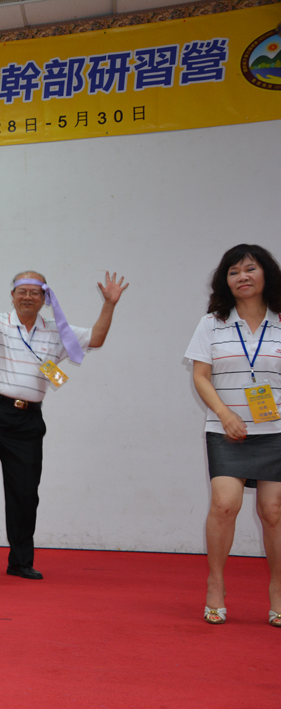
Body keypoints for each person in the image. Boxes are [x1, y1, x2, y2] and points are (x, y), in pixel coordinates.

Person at [0, 259, 128, 581]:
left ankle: (20, 561)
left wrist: (109, 304)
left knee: (25, 493)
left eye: (35, 292)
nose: (28, 297)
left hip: (28, 421)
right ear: (13, 295)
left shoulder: (57, 331)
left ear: (45, 298)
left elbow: (97, 338)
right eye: (22, 291)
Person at [185, 244, 281, 627]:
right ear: (225, 280)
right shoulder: (212, 323)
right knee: (225, 505)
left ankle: (278, 590)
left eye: (250, 269)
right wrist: (225, 415)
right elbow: (200, 376)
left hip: (276, 431)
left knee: (273, 512)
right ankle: (215, 584)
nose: (242, 277)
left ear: (266, 274)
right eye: (234, 271)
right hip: (226, 430)